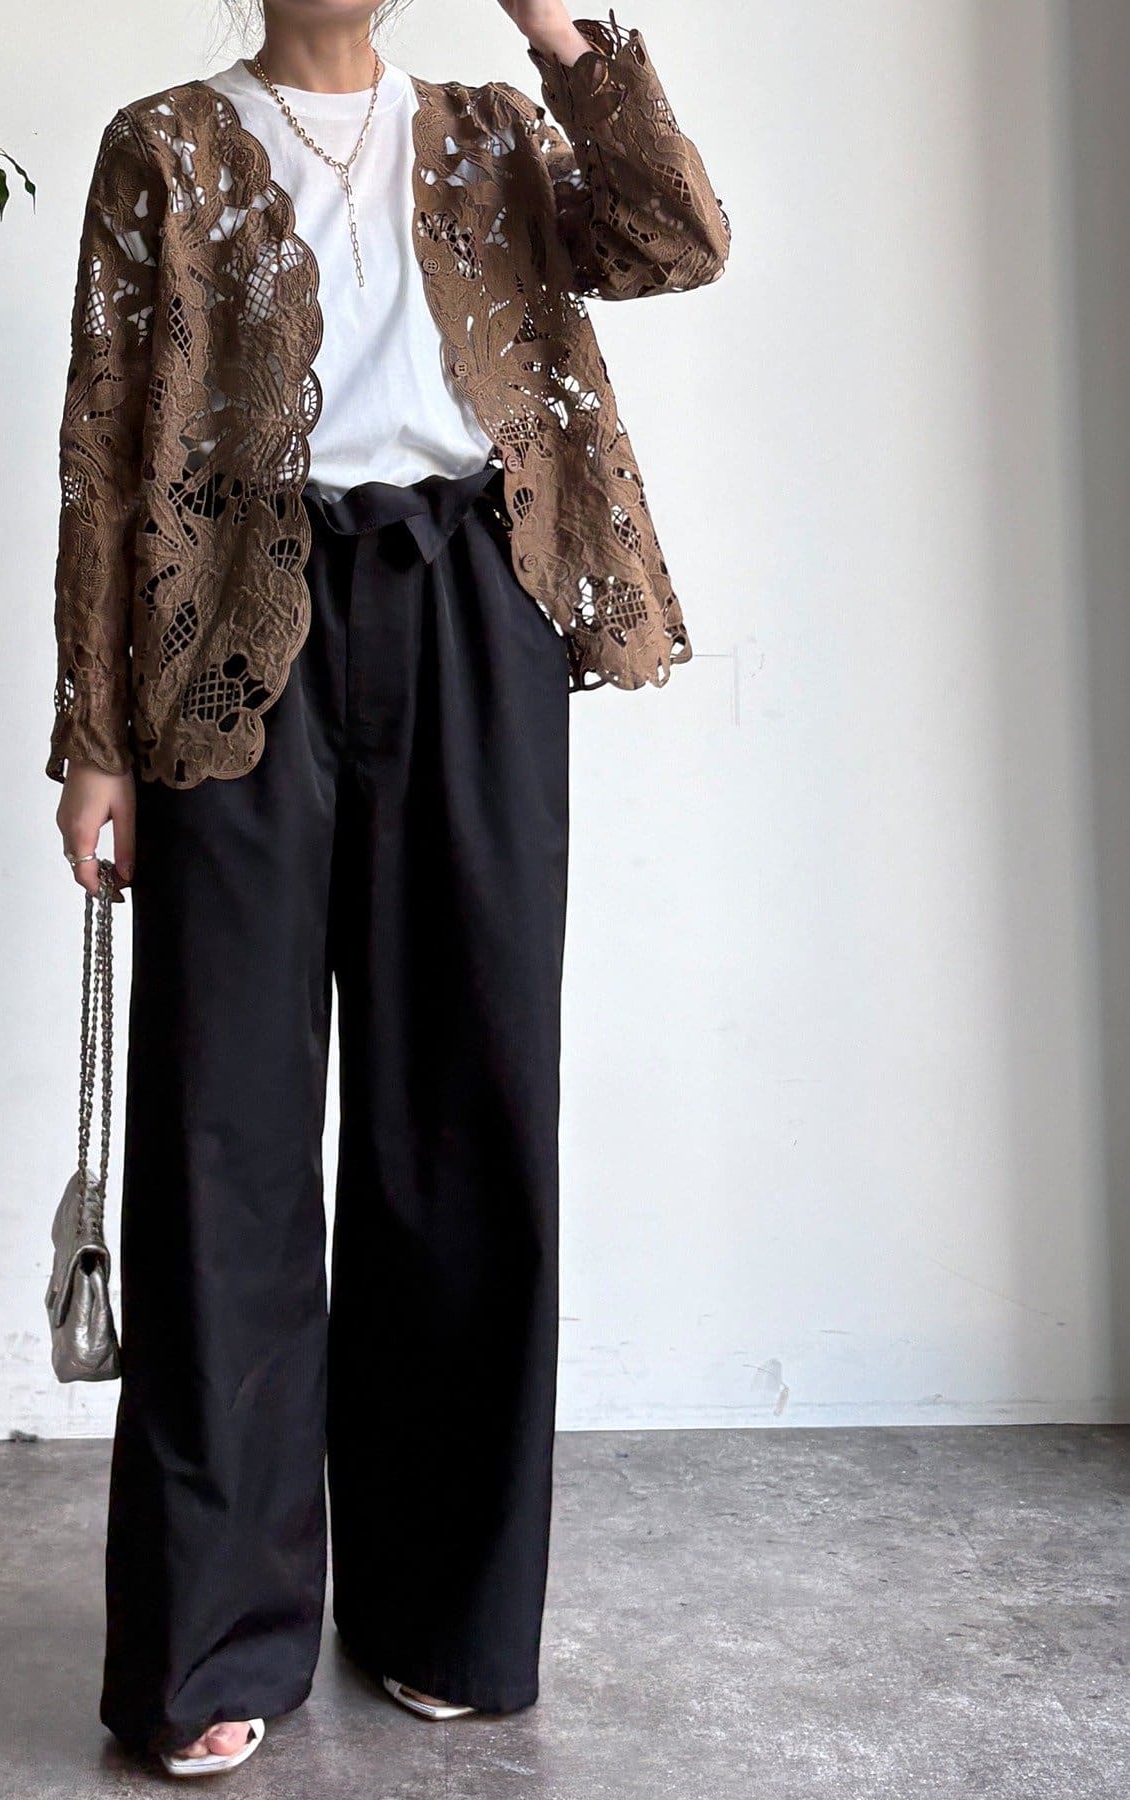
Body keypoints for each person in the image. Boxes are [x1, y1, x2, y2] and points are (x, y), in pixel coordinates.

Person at [48, 0, 728, 1776]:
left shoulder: (494, 129)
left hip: (476, 615)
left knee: (467, 1116)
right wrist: (95, 738)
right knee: (226, 1133)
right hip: (233, 643)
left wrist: (558, 25)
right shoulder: (164, 146)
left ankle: (446, 1612)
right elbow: (107, 448)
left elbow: (677, 237)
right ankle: (214, 1640)